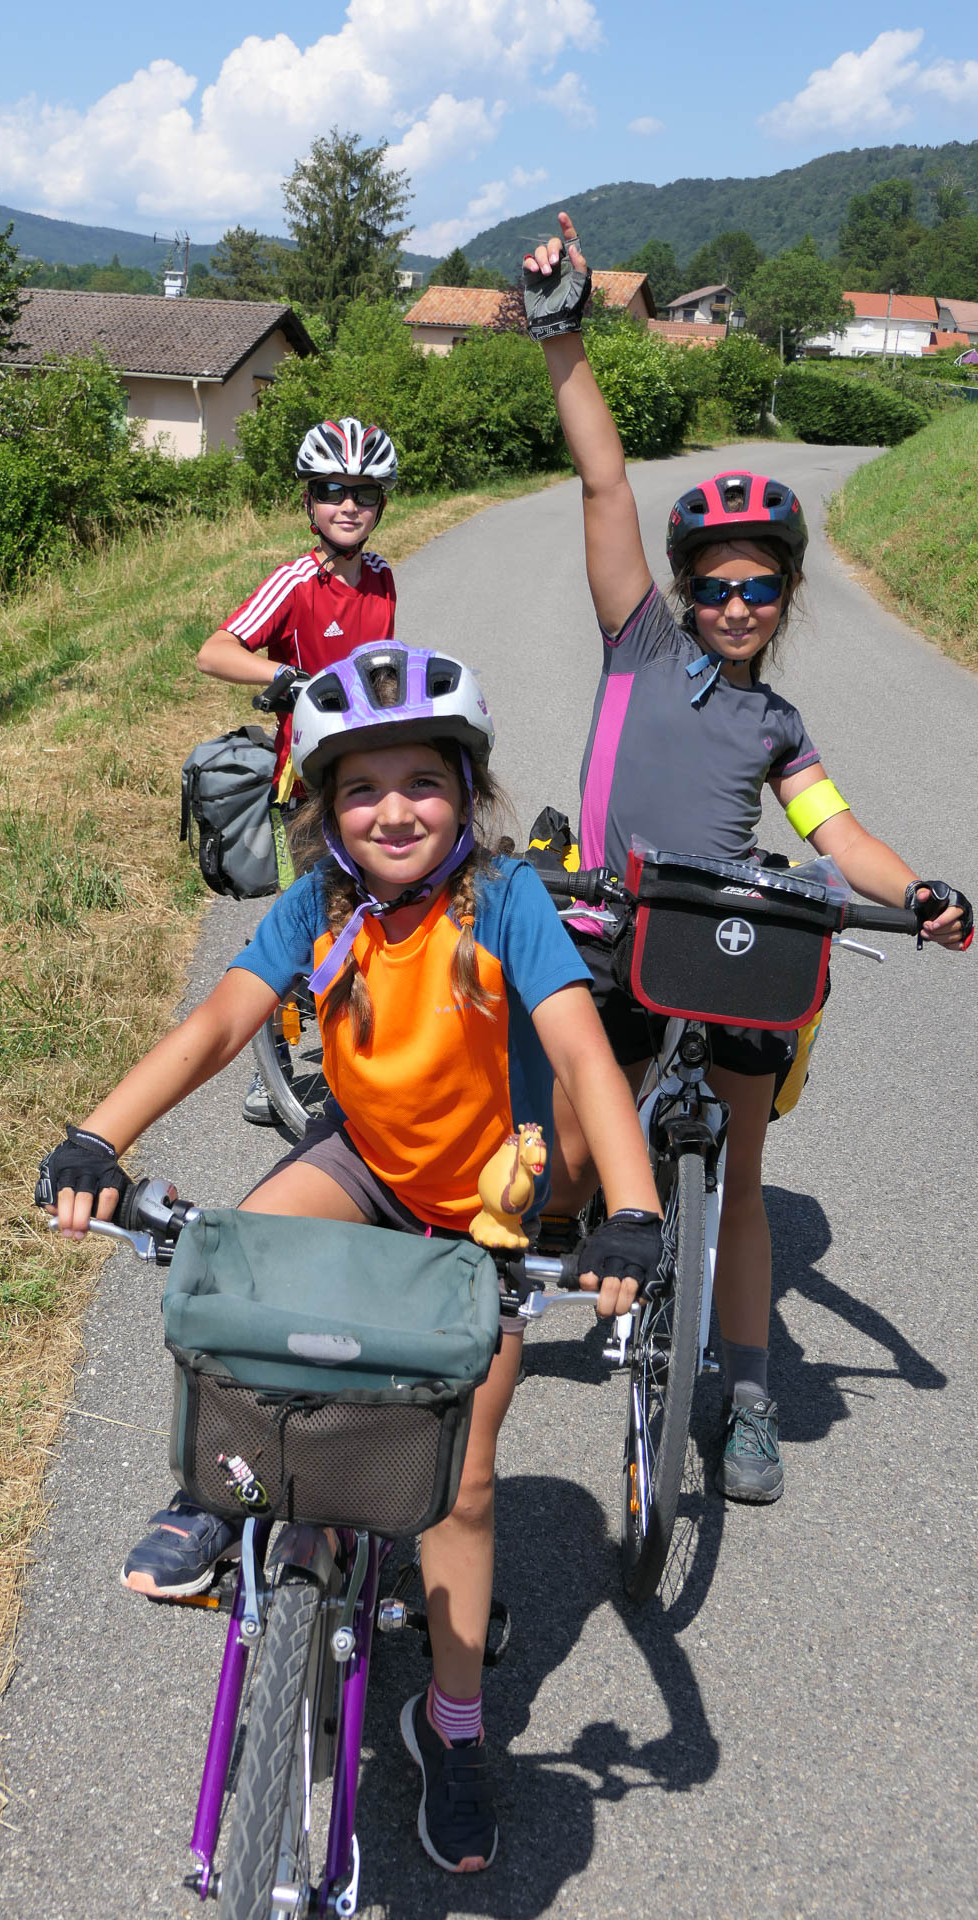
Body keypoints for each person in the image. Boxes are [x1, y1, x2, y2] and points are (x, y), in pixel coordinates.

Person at [40, 641, 664, 1874]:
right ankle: (216, 1498)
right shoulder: (318, 903)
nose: (392, 811)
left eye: (421, 782)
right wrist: (98, 1136)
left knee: (462, 1484)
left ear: (466, 792)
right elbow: (219, 1022)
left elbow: (583, 1056)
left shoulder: (503, 900)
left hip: (484, 1212)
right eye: (361, 788)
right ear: (325, 808)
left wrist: (630, 1210)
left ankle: (453, 1727)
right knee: (235, 1261)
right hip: (367, 1165)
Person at [523, 211, 973, 1506]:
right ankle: (513, 1278)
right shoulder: (638, 646)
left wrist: (917, 891)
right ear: (684, 592)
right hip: (610, 929)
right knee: (567, 1156)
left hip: (718, 945)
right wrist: (562, 339)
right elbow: (604, 482)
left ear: (784, 598)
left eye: (756, 589)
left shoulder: (779, 726)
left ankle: (751, 1396)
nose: (732, 606)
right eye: (713, 587)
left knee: (741, 1177)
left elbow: (838, 834)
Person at [195, 417, 399, 1123]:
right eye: (332, 490)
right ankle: (272, 1065)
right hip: (306, 787)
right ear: (309, 501)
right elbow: (215, 651)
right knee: (307, 918)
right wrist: (283, 676)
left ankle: (364, 1045)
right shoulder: (295, 581)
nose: (348, 505)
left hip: (368, 777)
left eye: (364, 493)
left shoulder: (382, 578)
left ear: (381, 504)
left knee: (375, 910)